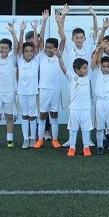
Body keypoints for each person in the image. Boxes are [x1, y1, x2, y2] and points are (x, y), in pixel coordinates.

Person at [34, 11, 66, 149]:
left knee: (54, 115)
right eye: (46, 47)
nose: (47, 49)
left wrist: (59, 21)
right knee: (42, 115)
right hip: (43, 89)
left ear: (56, 48)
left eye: (50, 47)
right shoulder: (41, 55)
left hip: (55, 90)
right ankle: (40, 139)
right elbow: (39, 41)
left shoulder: (59, 54)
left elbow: (63, 39)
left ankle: (54, 139)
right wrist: (45, 21)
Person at [56, 55, 93, 157]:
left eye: (87, 68)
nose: (86, 70)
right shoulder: (72, 77)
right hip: (74, 109)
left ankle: (86, 147)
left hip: (86, 109)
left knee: (86, 130)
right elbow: (63, 68)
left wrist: (99, 50)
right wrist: (59, 57)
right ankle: (72, 147)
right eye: (84, 68)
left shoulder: (88, 77)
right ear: (77, 70)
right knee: (73, 130)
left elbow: (94, 63)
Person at [16, 19, 41, 149]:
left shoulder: (36, 60)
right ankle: (25, 139)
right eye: (26, 51)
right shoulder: (20, 60)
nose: (29, 53)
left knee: (32, 116)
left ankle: (33, 138)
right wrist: (21, 31)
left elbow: (36, 46)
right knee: (24, 116)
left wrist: (35, 29)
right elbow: (20, 46)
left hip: (33, 93)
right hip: (21, 93)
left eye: (31, 51)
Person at [91, 41, 109, 155]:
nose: (106, 68)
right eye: (104, 66)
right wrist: (100, 49)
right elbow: (97, 61)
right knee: (100, 126)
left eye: (108, 66)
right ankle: (100, 146)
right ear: (100, 67)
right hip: (100, 102)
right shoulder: (98, 72)